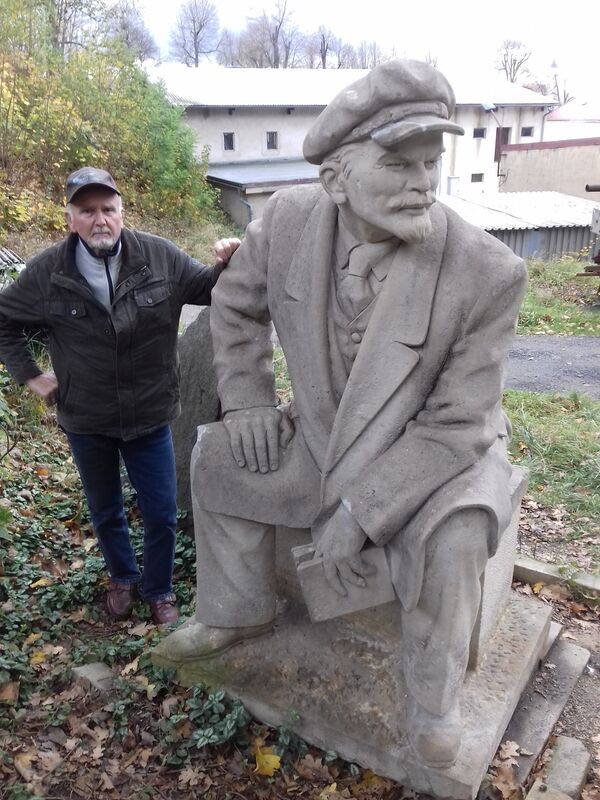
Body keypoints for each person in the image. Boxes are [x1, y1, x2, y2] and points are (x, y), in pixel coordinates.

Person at [158, 61, 527, 767]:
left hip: (438, 458)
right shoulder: (290, 219)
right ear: (336, 180)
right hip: (325, 436)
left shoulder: (487, 272)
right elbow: (234, 307)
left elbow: (458, 426)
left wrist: (360, 510)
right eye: (398, 162)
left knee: (454, 540)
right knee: (221, 455)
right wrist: (249, 401)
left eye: (431, 160)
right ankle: (236, 613)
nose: (423, 181)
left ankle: (433, 699)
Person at [0, 167, 240, 625]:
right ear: (70, 218)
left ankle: (160, 590)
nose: (99, 220)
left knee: (161, 512)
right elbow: (4, 320)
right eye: (86, 211)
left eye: (107, 209)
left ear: (121, 212)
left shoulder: (160, 257)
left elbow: (211, 289)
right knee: (106, 510)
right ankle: (122, 577)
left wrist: (229, 260)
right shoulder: (47, 271)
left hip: (149, 414)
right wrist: (29, 374)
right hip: (86, 418)